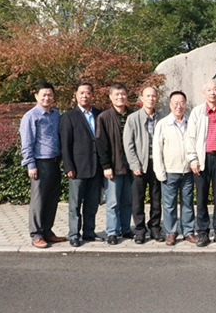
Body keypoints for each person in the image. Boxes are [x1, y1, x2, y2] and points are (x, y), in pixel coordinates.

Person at [185, 80, 216, 247]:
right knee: (201, 199)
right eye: (209, 90)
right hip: (202, 160)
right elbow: (190, 138)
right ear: (204, 93)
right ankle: (203, 233)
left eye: (215, 89)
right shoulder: (197, 112)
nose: (212, 92)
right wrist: (193, 159)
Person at [20, 82, 66, 248]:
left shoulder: (56, 114)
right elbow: (27, 143)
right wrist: (30, 164)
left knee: (52, 199)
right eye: (43, 95)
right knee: (38, 201)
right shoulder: (31, 116)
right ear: (36, 96)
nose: (47, 98)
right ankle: (36, 234)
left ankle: (47, 231)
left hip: (54, 162)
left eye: (49, 95)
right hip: (40, 163)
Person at [59, 82, 103, 247]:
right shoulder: (68, 117)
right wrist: (68, 166)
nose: (85, 95)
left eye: (88, 92)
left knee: (92, 203)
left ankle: (89, 232)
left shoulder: (99, 114)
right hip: (77, 168)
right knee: (75, 204)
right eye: (81, 93)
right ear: (76, 95)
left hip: (96, 167)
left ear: (92, 95)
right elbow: (65, 144)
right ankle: (74, 234)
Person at [153, 91, 196, 246]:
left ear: (185, 104)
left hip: (187, 171)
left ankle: (188, 232)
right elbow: (157, 149)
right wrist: (160, 171)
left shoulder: (191, 122)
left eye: (182, 103)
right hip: (170, 171)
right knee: (169, 204)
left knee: (188, 203)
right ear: (170, 105)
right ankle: (171, 232)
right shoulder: (163, 124)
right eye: (175, 103)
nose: (179, 106)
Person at [123, 87, 164, 244]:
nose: (151, 99)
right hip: (139, 164)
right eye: (148, 96)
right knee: (138, 199)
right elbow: (128, 144)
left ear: (157, 98)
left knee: (156, 198)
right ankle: (139, 230)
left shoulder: (162, 118)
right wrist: (134, 164)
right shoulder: (133, 119)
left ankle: (155, 228)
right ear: (141, 98)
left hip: (157, 163)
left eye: (153, 96)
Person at [96, 83, 133, 245]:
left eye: (123, 94)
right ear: (110, 97)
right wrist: (106, 166)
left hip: (131, 165)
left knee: (127, 200)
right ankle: (112, 231)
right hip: (113, 165)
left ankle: (126, 228)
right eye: (116, 94)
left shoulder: (132, 115)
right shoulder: (104, 117)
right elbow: (101, 144)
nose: (120, 97)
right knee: (113, 201)